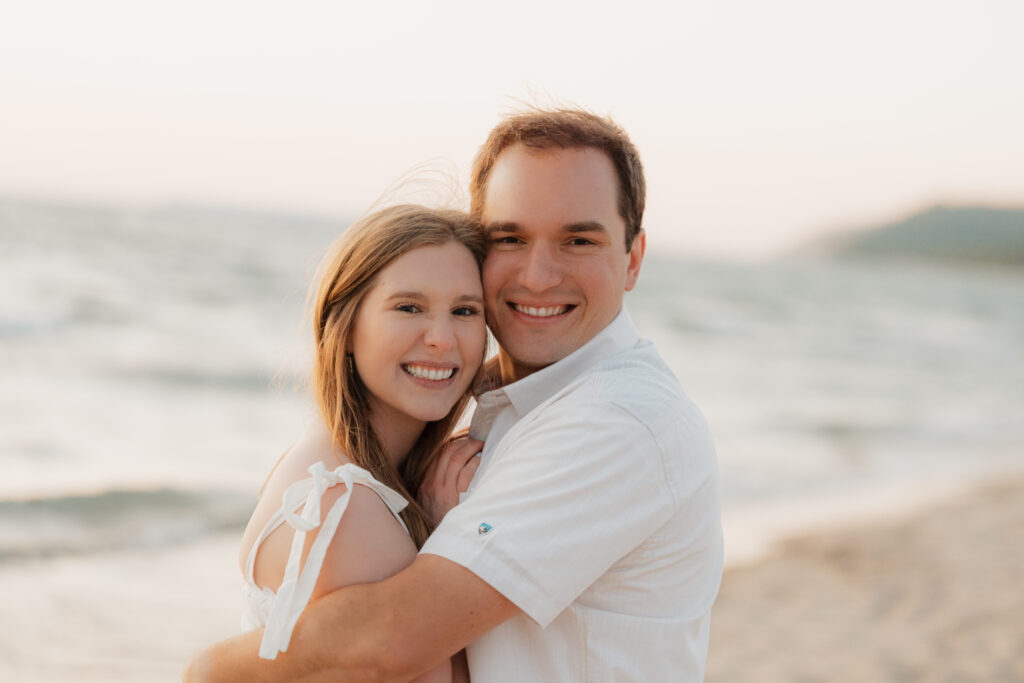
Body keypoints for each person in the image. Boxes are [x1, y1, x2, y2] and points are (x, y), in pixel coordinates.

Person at [186, 108, 723, 682]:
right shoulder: (516, 401)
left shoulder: (617, 421)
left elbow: (393, 638)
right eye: (510, 237)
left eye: (578, 240)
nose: (538, 275)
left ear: (632, 259)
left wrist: (210, 668)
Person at [235, 204, 488, 682]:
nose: (441, 338)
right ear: (347, 326)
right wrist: (449, 543)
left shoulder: (343, 466)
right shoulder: (342, 503)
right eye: (409, 307)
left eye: (464, 311)